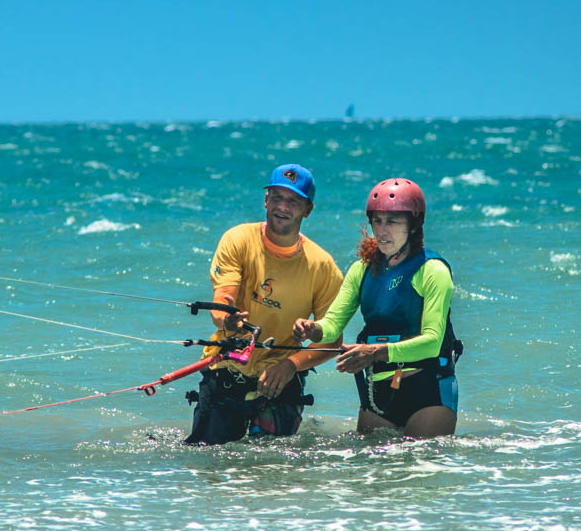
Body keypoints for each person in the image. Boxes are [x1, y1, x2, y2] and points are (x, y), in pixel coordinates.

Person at [184, 164, 344, 444]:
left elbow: (333, 341)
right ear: (266, 200)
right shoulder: (237, 239)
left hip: (280, 379)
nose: (283, 206)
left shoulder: (323, 267)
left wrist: (291, 365)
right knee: (209, 458)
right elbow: (224, 299)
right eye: (277, 197)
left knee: (270, 464)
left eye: (293, 200)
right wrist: (227, 320)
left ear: (308, 210)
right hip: (226, 367)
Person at [292, 177, 463, 438]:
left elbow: (431, 341)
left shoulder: (433, 270)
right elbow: (332, 326)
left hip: (428, 390)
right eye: (377, 221)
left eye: (392, 222)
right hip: (376, 393)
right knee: (371, 475)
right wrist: (311, 329)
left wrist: (374, 352)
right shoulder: (361, 269)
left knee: (419, 472)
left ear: (414, 225)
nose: (382, 231)